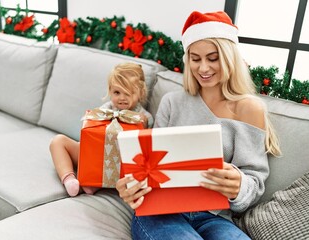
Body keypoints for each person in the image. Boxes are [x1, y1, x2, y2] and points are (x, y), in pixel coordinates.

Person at [116, 11, 281, 240]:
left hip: (215, 217)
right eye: (196, 59)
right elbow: (147, 166)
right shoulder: (172, 102)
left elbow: (253, 183)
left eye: (212, 58)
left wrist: (238, 186)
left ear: (229, 57)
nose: (203, 68)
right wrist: (131, 187)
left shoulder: (250, 109)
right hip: (160, 211)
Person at [50, 62, 153, 197]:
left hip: (122, 167)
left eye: (128, 93)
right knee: (57, 142)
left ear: (141, 93)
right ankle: (70, 180)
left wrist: (143, 126)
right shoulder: (105, 109)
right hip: (95, 158)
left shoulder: (145, 117)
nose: (122, 98)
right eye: (117, 92)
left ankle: (95, 183)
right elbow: (90, 135)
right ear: (110, 91)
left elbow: (146, 153)